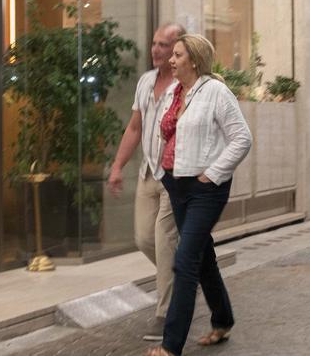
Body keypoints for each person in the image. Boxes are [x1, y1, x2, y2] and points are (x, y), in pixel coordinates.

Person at [145, 34, 252, 356]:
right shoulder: (175, 93)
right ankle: (223, 320)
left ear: (194, 59)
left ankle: (170, 346)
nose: (171, 60)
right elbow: (164, 135)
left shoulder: (215, 92)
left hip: (206, 189)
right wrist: (161, 174)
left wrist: (213, 174)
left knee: (185, 260)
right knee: (203, 258)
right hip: (176, 185)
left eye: (177, 55)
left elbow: (242, 138)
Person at [107, 23, 186, 341]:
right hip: (147, 173)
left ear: (179, 49)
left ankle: (164, 314)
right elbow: (135, 128)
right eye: (154, 43)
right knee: (143, 239)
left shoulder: (186, 86)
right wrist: (117, 166)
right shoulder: (145, 82)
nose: (156, 50)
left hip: (175, 176)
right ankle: (185, 280)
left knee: (165, 243)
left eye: (164, 45)